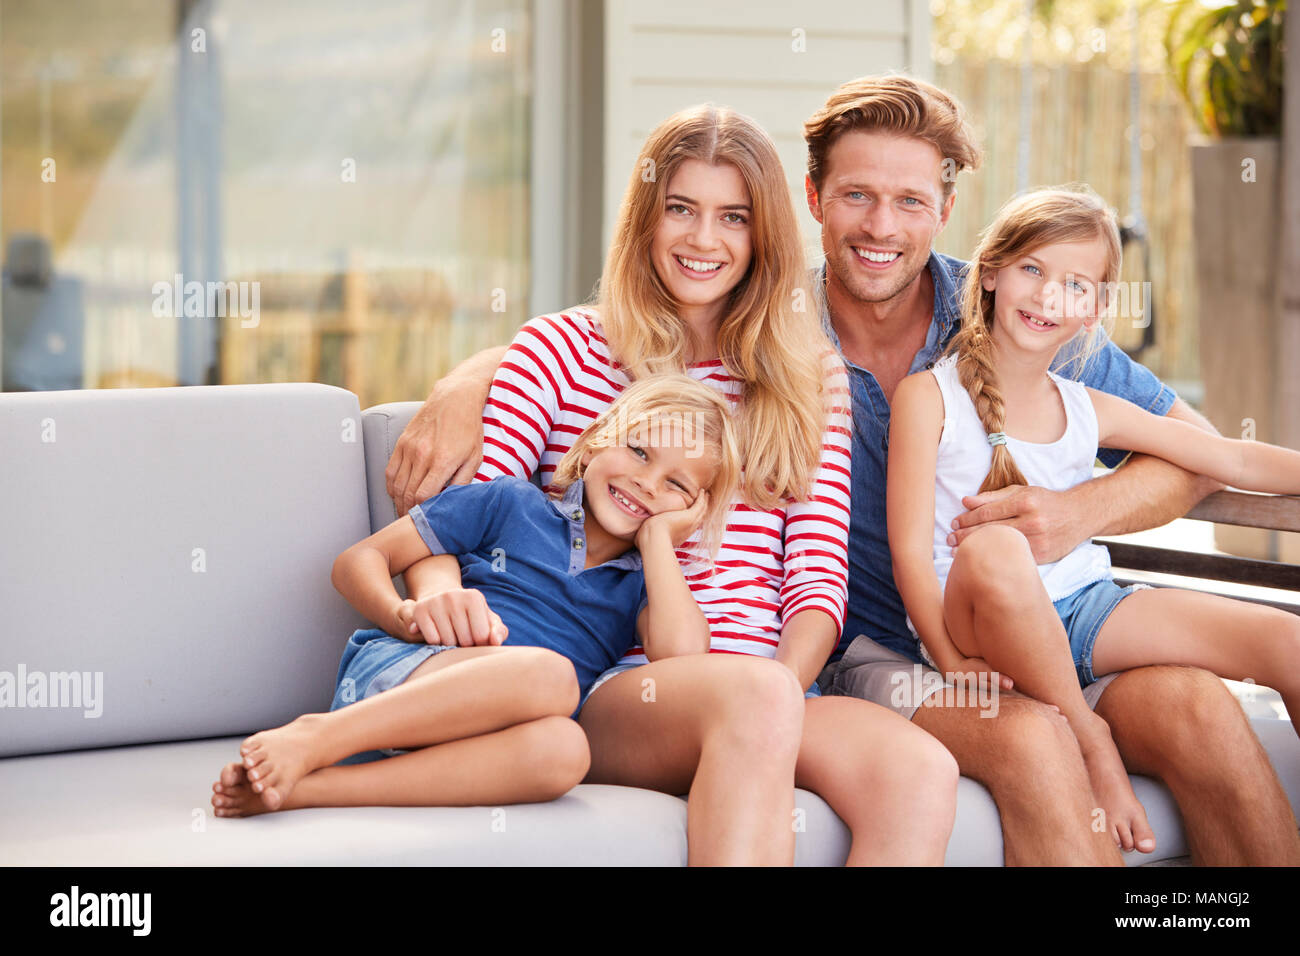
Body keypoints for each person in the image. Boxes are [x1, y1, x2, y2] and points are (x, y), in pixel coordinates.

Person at [389, 104, 960, 866]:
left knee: (919, 771)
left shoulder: (806, 374)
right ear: (644, 220)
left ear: (763, 236)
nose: (703, 239)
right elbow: (474, 523)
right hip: (614, 689)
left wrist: (784, 693)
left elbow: (817, 581)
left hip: (769, 684)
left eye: (733, 217)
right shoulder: (560, 350)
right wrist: (435, 598)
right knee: (751, 700)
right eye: (680, 210)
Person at [804, 73, 1300, 864]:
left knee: (1199, 709)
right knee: (1037, 738)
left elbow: (1200, 454)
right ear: (814, 197)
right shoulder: (771, 338)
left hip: (1070, 619)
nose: (882, 226)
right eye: (857, 196)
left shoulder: (1025, 312)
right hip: (890, 654)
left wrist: (1081, 512)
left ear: (947, 209)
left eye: (910, 201)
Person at [889, 184, 1300, 853]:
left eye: (1075, 284)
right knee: (995, 550)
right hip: (980, 621)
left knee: (1288, 642)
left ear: (1096, 309)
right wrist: (949, 659)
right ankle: (1090, 738)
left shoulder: (1088, 405)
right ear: (989, 272)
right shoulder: (926, 397)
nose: (1049, 297)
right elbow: (910, 552)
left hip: (1084, 610)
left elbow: (1232, 459)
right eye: (1032, 270)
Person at [209, 373, 739, 817]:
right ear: (600, 438)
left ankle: (308, 791)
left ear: (692, 512)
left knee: (567, 750)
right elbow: (358, 561)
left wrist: (657, 543)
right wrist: (405, 615)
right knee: (554, 677)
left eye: (677, 485)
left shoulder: (645, 580)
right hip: (416, 671)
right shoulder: (512, 503)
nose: (648, 483)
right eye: (640, 451)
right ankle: (318, 735)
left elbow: (682, 656)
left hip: (489, 734)